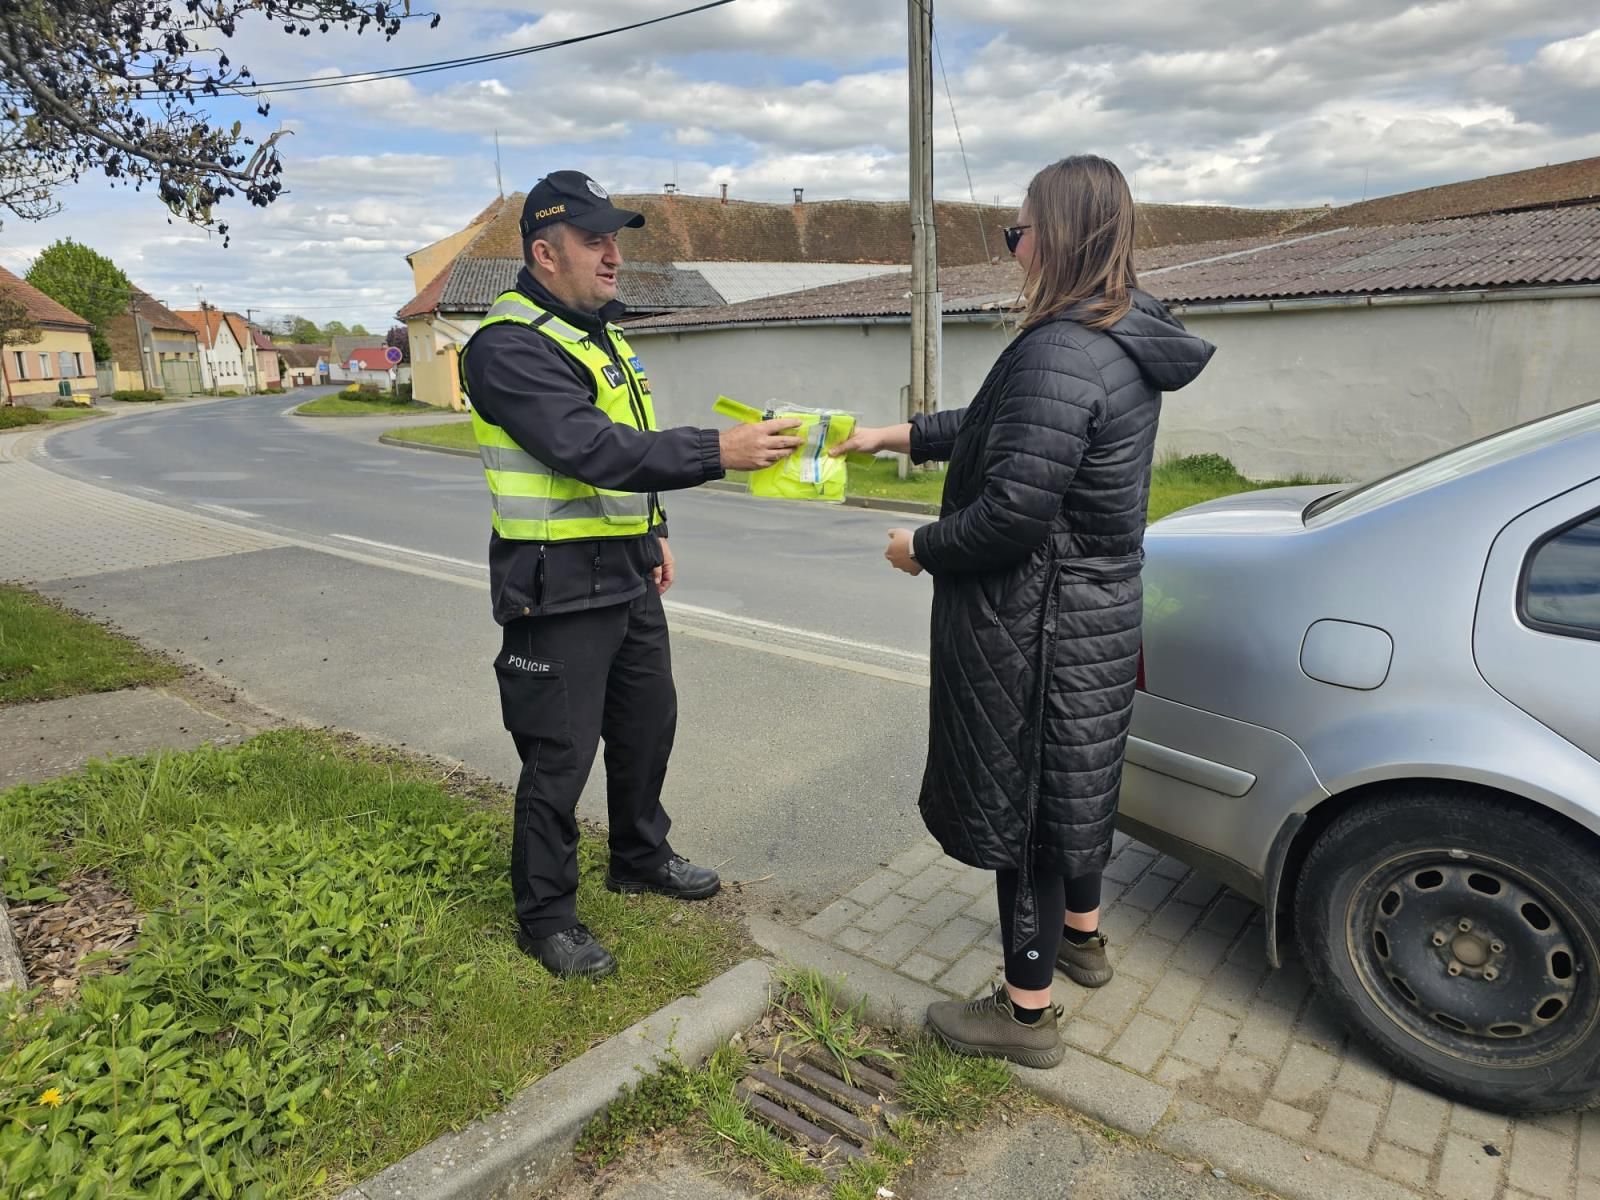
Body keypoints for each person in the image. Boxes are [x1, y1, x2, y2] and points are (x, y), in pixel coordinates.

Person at [832, 155, 1215, 1065]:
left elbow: (1010, 515)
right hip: (1093, 609)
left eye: (1020, 231)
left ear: (1060, 236)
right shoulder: (1114, 333)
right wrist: (899, 435)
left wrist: (918, 548)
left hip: (1039, 623)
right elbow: (1010, 422)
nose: (1015, 248)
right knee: (1076, 786)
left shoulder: (1062, 345)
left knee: (1030, 809)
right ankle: (1081, 936)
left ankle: (1025, 1012)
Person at [460, 170, 801, 980]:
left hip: (624, 572)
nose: (614, 255)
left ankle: (640, 856)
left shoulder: (600, 332)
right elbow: (589, 448)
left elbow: (624, 458)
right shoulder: (507, 347)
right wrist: (719, 451)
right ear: (545, 253)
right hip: (555, 587)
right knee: (559, 757)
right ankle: (546, 916)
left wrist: (656, 531)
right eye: (594, 240)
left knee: (648, 726)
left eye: (615, 238)